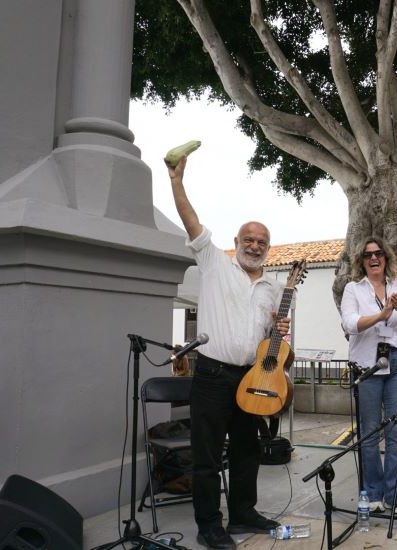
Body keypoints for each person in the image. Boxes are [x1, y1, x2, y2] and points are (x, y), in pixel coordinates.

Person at [167, 157, 290, 550]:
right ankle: (209, 524)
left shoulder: (272, 287)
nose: (254, 245)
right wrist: (177, 181)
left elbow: (270, 341)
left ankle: (242, 513)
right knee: (206, 456)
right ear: (236, 243)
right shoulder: (214, 265)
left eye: (262, 242)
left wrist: (277, 330)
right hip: (214, 375)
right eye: (248, 239)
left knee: (246, 450)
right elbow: (191, 222)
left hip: (251, 378)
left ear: (268, 249)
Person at [340, 236, 397, 514]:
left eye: (378, 254)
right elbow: (350, 324)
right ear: (361, 261)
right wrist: (380, 315)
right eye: (367, 255)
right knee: (369, 431)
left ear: (386, 258)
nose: (373, 258)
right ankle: (372, 494)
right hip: (368, 364)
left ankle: (394, 495)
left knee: (396, 431)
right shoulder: (353, 289)